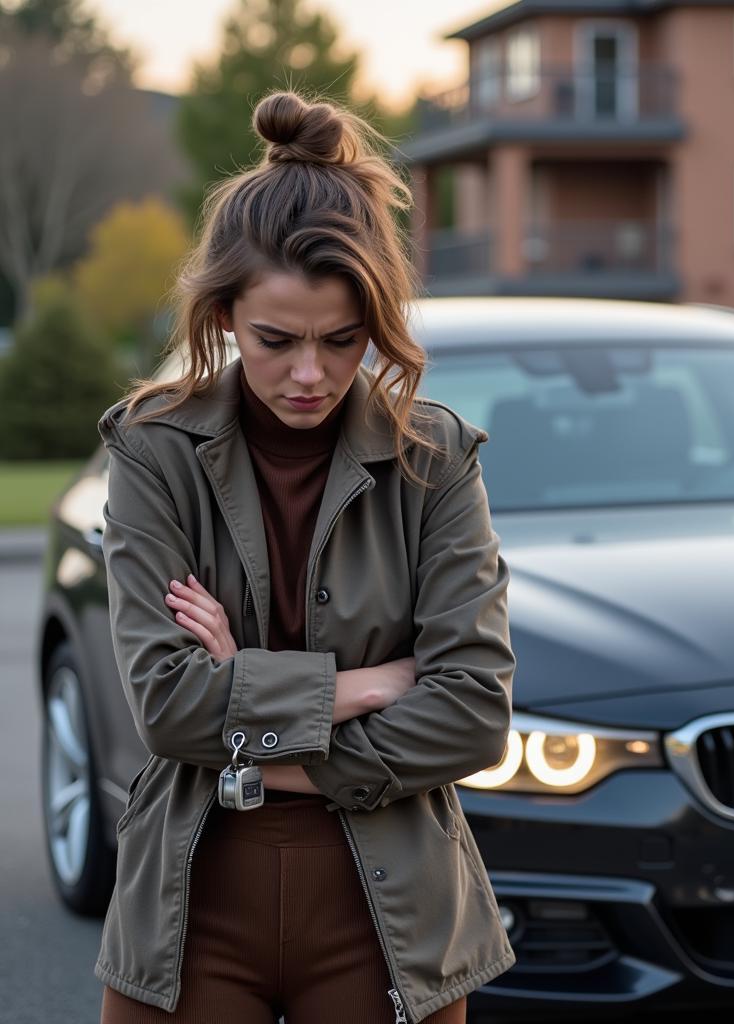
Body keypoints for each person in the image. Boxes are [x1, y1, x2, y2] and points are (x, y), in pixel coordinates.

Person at [95, 89, 517, 1023]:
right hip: (187, 908)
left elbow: (474, 713)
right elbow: (166, 703)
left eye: (344, 341)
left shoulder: (436, 460)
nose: (310, 376)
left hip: (396, 916)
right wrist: (363, 685)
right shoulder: (153, 450)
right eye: (274, 341)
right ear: (223, 317)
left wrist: (249, 704)